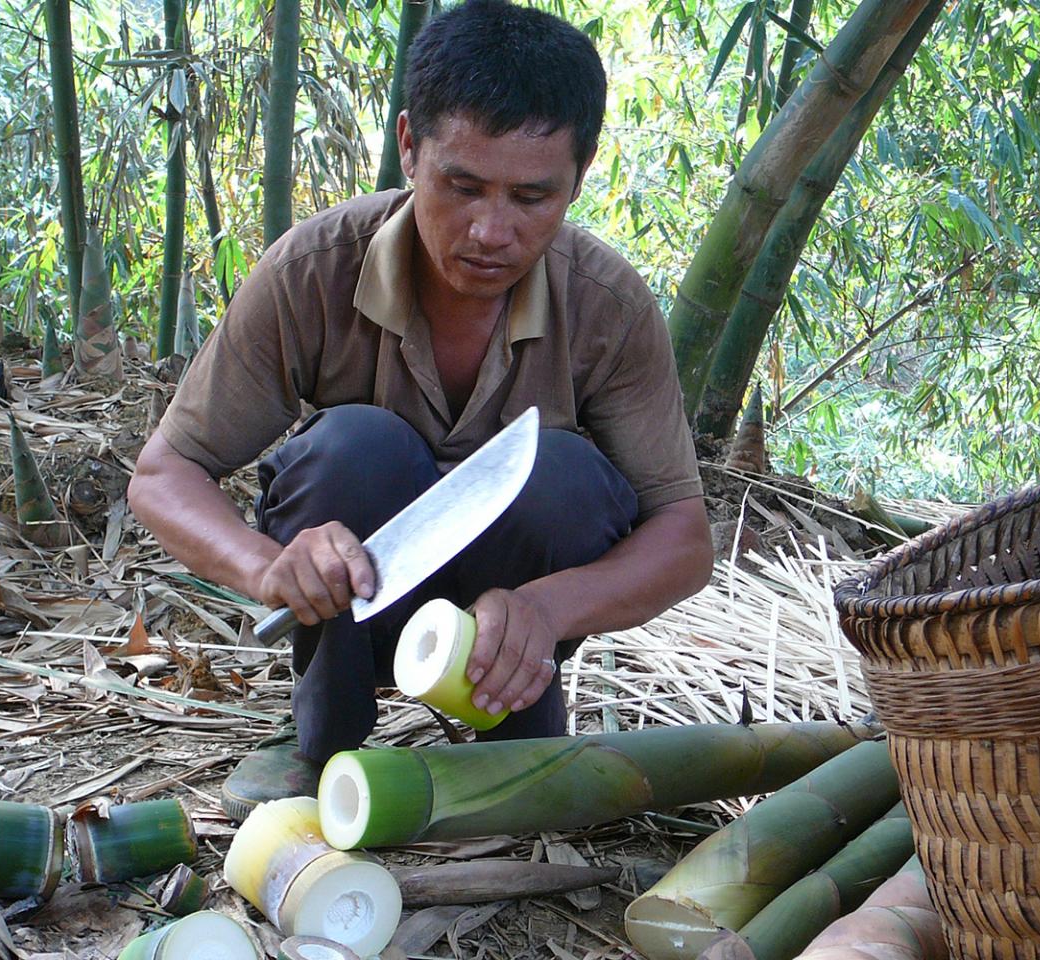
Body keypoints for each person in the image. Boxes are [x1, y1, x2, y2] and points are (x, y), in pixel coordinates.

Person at [127, 0, 713, 821]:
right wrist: (268, 566)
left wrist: (548, 609)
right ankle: (323, 744)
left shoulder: (609, 306)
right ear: (409, 145)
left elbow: (685, 541)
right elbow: (162, 476)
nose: (489, 230)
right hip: (354, 603)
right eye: (461, 185)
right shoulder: (313, 269)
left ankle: (523, 742)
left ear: (578, 178)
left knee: (560, 473)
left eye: (532, 198)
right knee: (352, 449)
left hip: (514, 624)